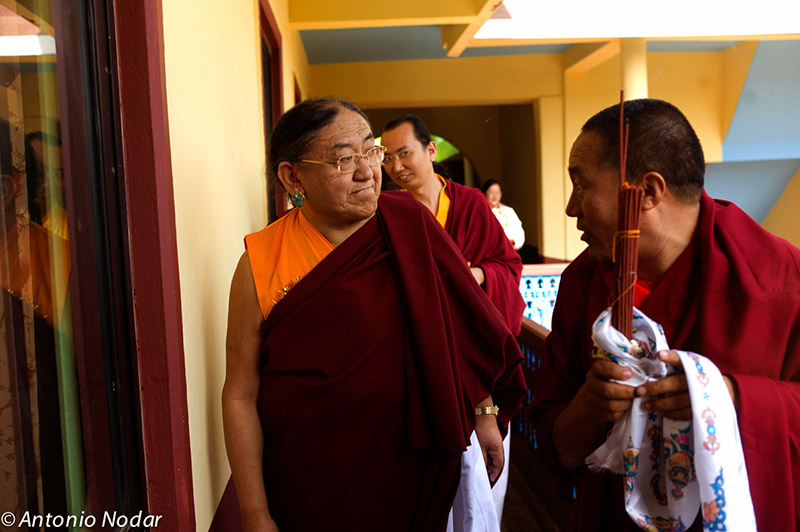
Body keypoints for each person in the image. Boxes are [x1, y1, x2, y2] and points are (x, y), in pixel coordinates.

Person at [215, 98, 526, 532]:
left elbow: (457, 330)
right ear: (293, 176)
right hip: (307, 479)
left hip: (410, 467)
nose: (368, 171)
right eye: (344, 160)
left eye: (371, 151)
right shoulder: (262, 261)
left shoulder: (408, 225)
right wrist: (254, 512)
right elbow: (240, 394)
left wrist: (485, 414)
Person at [530, 98, 800, 531]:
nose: (571, 207)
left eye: (580, 185)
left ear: (649, 192)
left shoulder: (780, 279)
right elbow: (555, 444)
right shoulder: (583, 283)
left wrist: (727, 397)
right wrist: (589, 405)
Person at [381, 116, 525, 530]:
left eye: (404, 153)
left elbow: (507, 266)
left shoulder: (470, 203)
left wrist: (473, 276)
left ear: (430, 151)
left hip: (477, 363)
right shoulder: (390, 212)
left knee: (484, 481)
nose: (396, 166)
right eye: (388, 157)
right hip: (423, 363)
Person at [481, 179, 525, 250]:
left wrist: (514, 242)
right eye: (491, 192)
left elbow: (519, 232)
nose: (495, 196)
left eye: (497, 193)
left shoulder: (508, 211)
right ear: (484, 194)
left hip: (508, 251)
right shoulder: (481, 212)